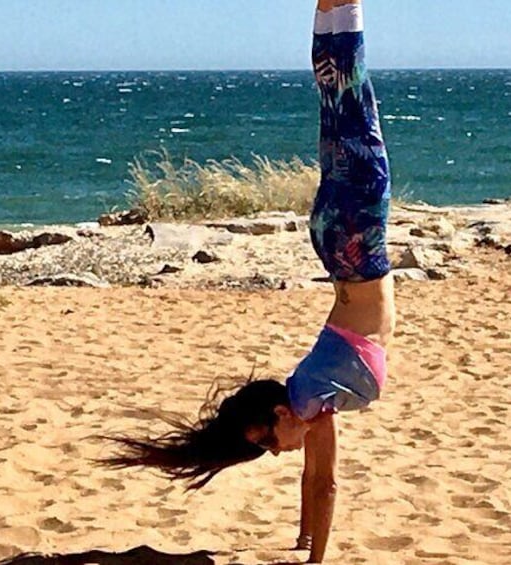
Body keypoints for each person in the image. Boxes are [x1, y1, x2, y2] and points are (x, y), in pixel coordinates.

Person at [99, 1, 394, 562]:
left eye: (266, 440)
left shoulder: (315, 402)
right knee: (338, 106)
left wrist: (315, 562)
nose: (276, 453)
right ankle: (332, 9)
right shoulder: (307, 398)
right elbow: (314, 481)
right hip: (337, 242)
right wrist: (305, 540)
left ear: (282, 415)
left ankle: (344, 8)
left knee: (351, 103)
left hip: (353, 241)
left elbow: (325, 484)